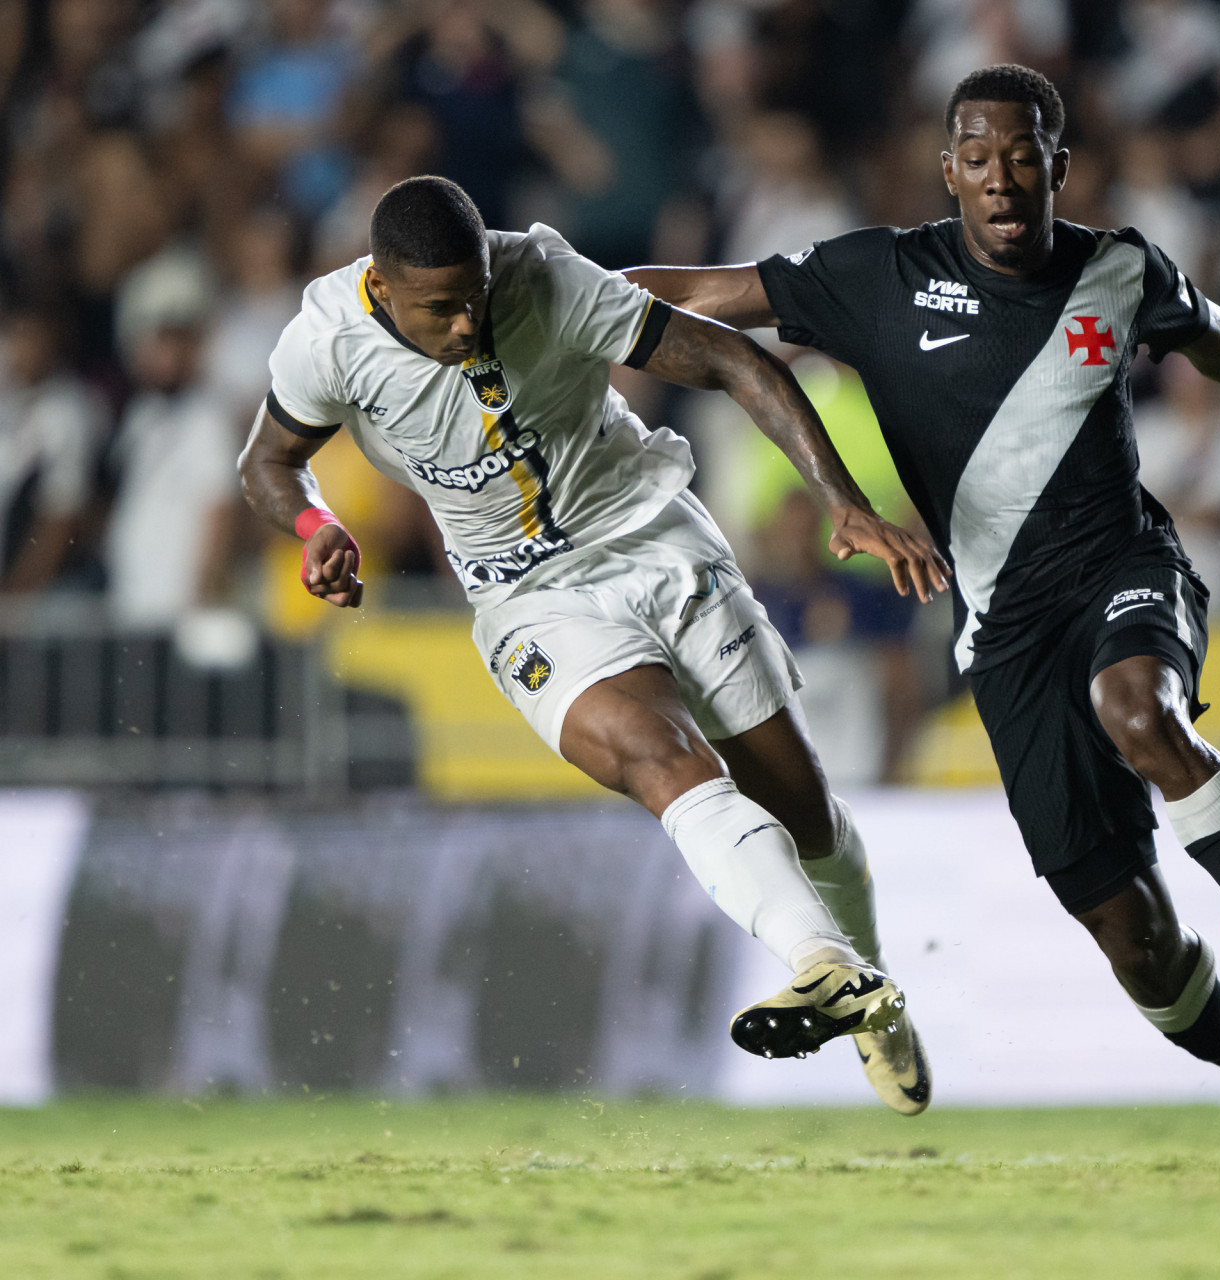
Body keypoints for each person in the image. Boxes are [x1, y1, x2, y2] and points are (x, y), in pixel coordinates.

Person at [629, 64, 1220, 1164]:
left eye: (1024, 156)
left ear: (1058, 166)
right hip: (1004, 636)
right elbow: (707, 291)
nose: (1002, 178)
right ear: (949, 171)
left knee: (1140, 711)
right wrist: (554, 303)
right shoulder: (881, 278)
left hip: (1125, 564)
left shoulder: (1119, 269)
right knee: (1139, 949)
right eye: (979, 158)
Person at [238, 176, 949, 1115]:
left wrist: (841, 502)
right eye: (440, 309)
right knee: (662, 759)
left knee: (805, 816)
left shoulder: (546, 278)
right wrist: (315, 526)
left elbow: (734, 359)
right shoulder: (327, 341)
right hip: (527, 597)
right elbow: (269, 462)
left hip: (654, 537)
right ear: (382, 283)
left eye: (475, 296)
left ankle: (872, 991)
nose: (466, 324)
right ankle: (822, 962)